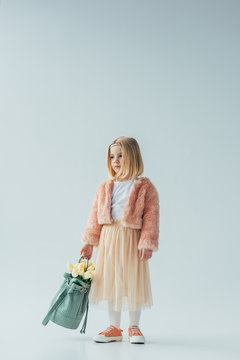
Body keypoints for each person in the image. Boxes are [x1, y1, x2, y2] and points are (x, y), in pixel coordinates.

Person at [80, 136, 160, 344]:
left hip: (132, 238)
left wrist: (147, 242)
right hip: (108, 238)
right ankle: (114, 327)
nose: (115, 160)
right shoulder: (106, 187)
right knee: (111, 280)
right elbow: (94, 215)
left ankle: (134, 326)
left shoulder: (144, 187)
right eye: (112, 156)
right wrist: (89, 242)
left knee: (133, 280)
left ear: (133, 156)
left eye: (121, 155)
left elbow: (151, 216)